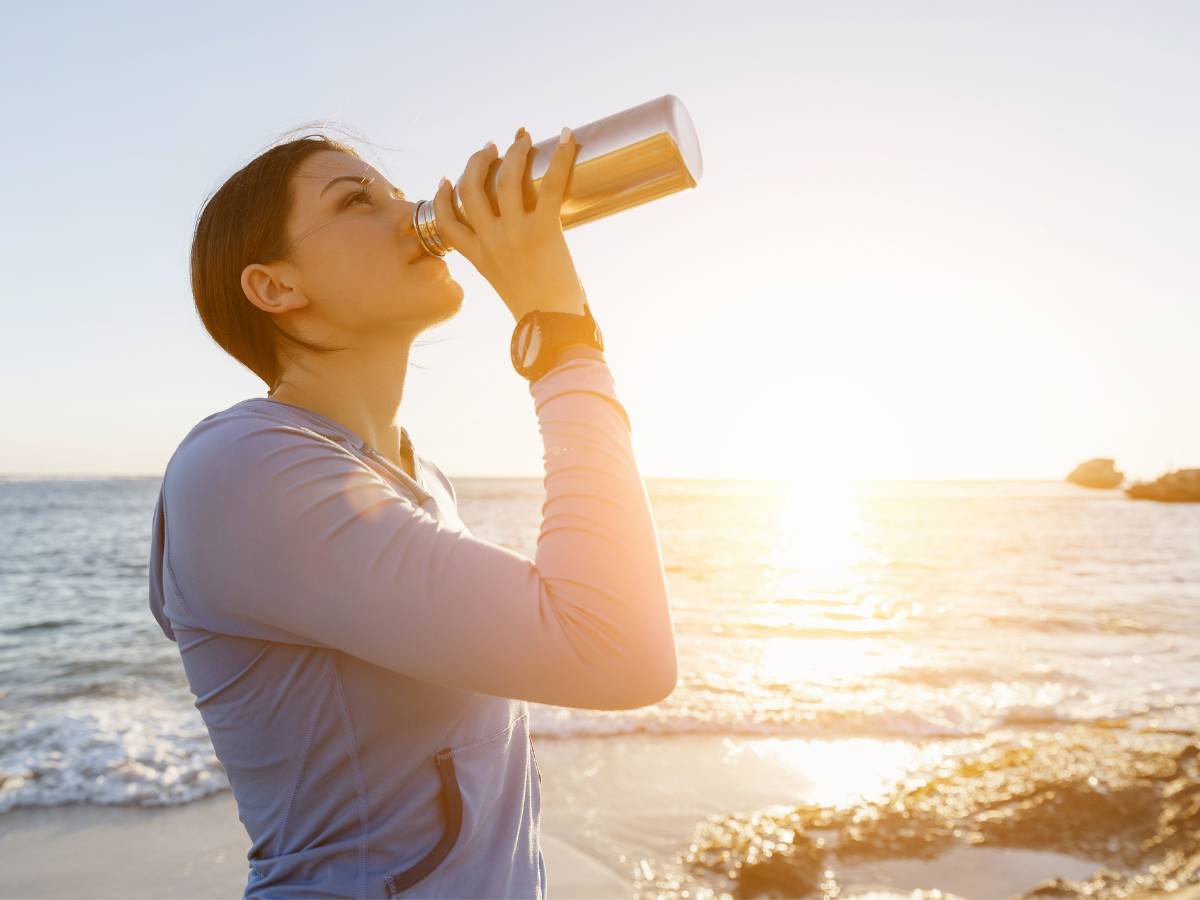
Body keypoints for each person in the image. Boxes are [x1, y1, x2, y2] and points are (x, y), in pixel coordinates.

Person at [147, 124, 677, 898]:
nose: (411, 213)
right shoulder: (242, 467)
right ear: (276, 287)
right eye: (358, 198)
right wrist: (556, 328)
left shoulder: (412, 476)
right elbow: (617, 647)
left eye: (399, 193)